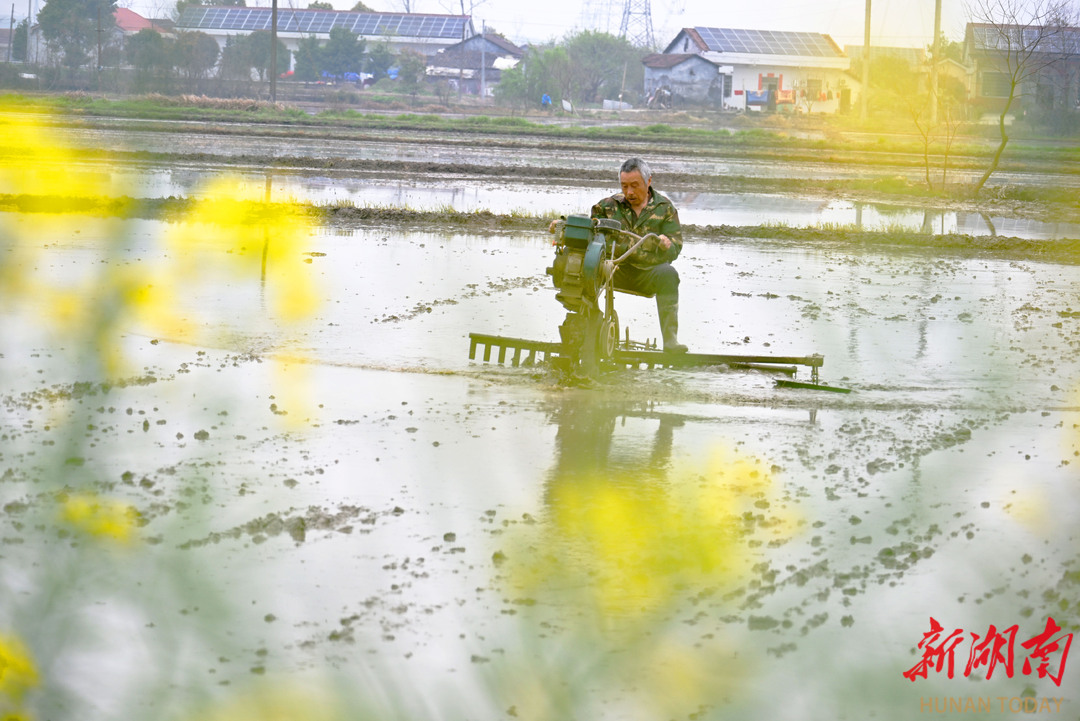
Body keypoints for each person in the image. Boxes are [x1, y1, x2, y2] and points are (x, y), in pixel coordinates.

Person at [591, 157, 687, 353]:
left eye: (635, 186)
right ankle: (588, 327)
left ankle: (671, 342)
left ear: (648, 181)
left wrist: (666, 245)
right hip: (614, 270)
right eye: (624, 186)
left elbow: (676, 247)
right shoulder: (607, 207)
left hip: (647, 274)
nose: (629, 192)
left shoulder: (665, 209)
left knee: (669, 274)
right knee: (585, 267)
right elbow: (590, 234)